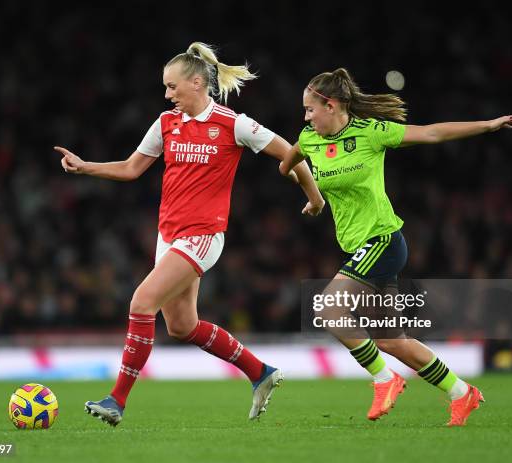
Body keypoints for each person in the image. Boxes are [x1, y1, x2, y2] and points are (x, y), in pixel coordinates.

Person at [54, 43, 325, 426]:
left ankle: (116, 400)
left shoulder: (235, 124)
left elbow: (291, 155)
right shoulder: (166, 123)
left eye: (171, 87)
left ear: (196, 83)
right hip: (169, 235)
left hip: (203, 235)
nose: (167, 95)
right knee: (181, 326)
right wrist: (86, 168)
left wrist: (314, 197)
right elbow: (132, 169)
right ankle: (260, 372)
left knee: (141, 302)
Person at [279, 68, 512, 426]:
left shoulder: (371, 133)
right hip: (359, 246)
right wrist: (314, 199)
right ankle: (461, 393)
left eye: (310, 109)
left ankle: (384, 378)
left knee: (329, 308)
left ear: (330, 105)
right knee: (392, 340)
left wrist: (487, 125)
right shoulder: (309, 138)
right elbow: (288, 164)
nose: (305, 117)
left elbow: (433, 133)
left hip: (384, 240)